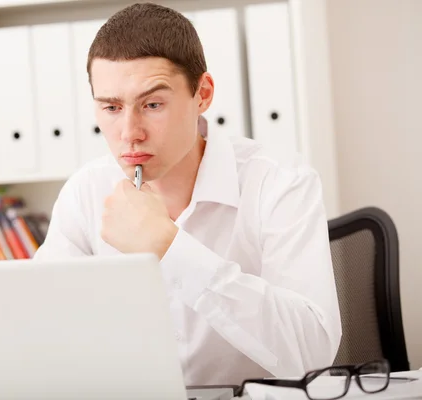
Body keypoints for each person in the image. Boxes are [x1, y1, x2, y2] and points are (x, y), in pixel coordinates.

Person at [33, 2, 342, 386]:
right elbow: (44, 332)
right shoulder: (85, 192)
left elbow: (311, 352)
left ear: (203, 94)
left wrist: (170, 246)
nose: (130, 132)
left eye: (152, 104)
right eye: (111, 107)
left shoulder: (280, 183)